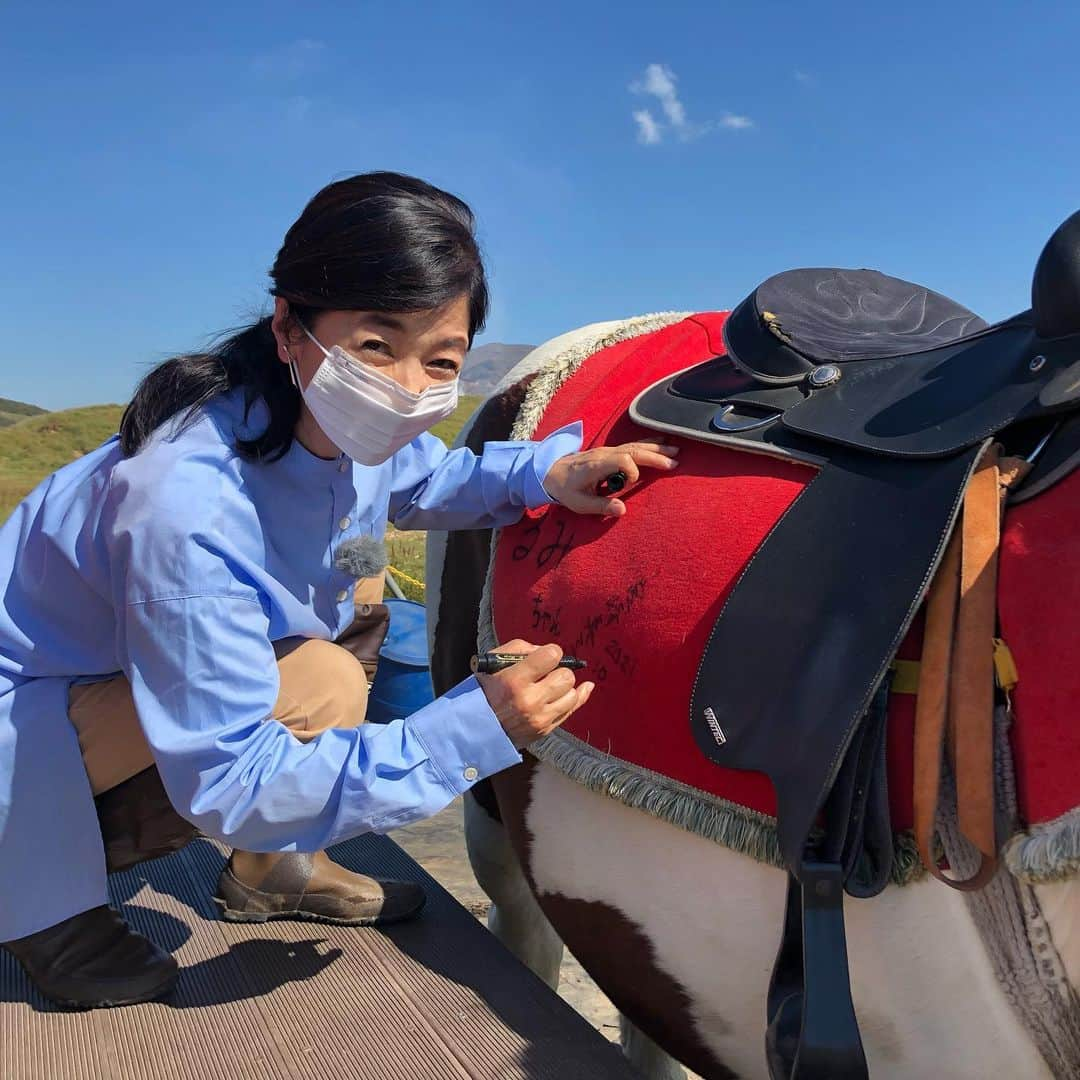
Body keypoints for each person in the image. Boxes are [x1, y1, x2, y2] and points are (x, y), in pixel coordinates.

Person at [0, 172, 679, 1009]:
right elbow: (230, 782)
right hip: (29, 703)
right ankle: (41, 908)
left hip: (118, 668)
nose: (404, 384)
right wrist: (465, 731)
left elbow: (429, 479)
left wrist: (548, 471)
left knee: (324, 670)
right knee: (301, 688)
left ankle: (275, 870)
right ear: (289, 322)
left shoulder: (321, 423)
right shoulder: (184, 504)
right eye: (373, 344)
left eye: (439, 361)